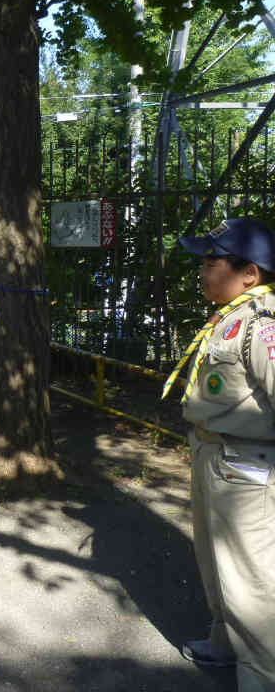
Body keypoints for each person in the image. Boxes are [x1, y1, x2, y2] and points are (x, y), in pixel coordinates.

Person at [161, 218, 275, 692]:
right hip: (214, 453)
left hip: (246, 465)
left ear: (249, 272)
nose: (203, 271)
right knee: (215, 561)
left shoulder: (263, 325)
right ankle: (226, 642)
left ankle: (262, 676)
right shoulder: (231, 316)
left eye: (212, 262)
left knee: (250, 576)